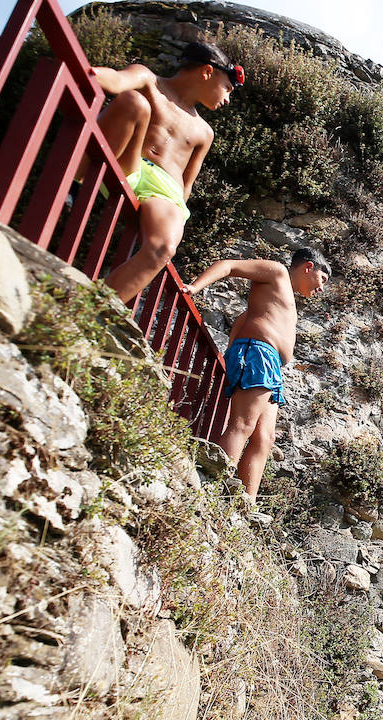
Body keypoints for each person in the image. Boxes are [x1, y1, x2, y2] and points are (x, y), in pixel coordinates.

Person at [85, 41, 242, 303]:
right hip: (128, 163)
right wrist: (89, 72)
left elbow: (187, 184)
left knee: (164, 247)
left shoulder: (205, 132)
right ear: (207, 72)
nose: (227, 98)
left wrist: (173, 220)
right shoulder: (149, 81)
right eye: (227, 88)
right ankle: (84, 165)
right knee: (134, 101)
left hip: (165, 190)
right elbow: (115, 79)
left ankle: (90, 309)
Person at [187, 247, 330, 498]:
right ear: (308, 267)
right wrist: (195, 287)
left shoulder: (283, 297)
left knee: (265, 438)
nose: (322, 288)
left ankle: (244, 506)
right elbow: (228, 264)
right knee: (242, 424)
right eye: (322, 279)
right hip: (259, 354)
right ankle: (209, 489)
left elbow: (246, 318)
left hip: (270, 364)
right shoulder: (277, 273)